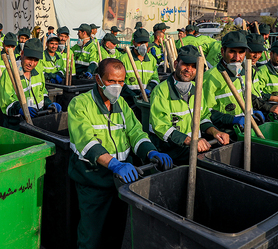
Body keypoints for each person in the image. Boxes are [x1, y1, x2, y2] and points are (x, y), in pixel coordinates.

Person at [68, 58, 173, 249]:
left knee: (115, 232)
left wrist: (151, 152)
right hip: (93, 181)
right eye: (111, 81)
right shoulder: (79, 104)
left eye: (121, 82)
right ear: (98, 79)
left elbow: (135, 132)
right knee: (91, 236)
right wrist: (114, 164)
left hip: (122, 181)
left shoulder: (122, 105)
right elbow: (86, 141)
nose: (117, 86)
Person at [149, 46, 230, 163]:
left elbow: (203, 117)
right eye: (185, 64)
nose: (189, 69)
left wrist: (215, 132)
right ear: (176, 64)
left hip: (192, 148)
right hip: (171, 152)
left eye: (194, 66)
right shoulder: (160, 91)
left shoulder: (197, 89)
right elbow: (161, 126)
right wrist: (189, 141)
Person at [201, 31, 278, 131]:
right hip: (225, 132)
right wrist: (232, 119)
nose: (237, 57)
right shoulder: (210, 77)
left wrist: (263, 108)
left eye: (241, 52)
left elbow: (247, 96)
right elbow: (205, 113)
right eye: (232, 52)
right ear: (223, 51)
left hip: (244, 129)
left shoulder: (244, 72)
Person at [0, 39, 61, 130]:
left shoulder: (38, 71)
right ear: (22, 53)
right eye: (29, 58)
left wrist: (49, 104)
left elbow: (42, 92)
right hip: (16, 125)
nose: (32, 63)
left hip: (37, 121)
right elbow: (5, 102)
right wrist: (21, 109)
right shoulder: (10, 73)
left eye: (36, 60)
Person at [119, 28, 159, 108]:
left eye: (145, 42)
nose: (143, 45)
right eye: (140, 43)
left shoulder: (152, 60)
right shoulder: (124, 59)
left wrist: (149, 89)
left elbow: (155, 78)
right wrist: (133, 95)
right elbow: (120, 82)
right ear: (134, 43)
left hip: (145, 100)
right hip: (129, 101)